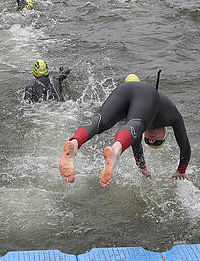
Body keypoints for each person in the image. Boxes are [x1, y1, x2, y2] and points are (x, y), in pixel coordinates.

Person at [58, 75, 190, 187]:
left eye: (148, 141)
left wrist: (142, 167)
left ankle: (74, 143)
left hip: (123, 89)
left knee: (100, 121)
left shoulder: (139, 126)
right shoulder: (173, 117)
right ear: (165, 132)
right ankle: (115, 151)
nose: (151, 139)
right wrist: (181, 170)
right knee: (135, 124)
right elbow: (184, 146)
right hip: (148, 93)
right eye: (157, 142)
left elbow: (136, 143)